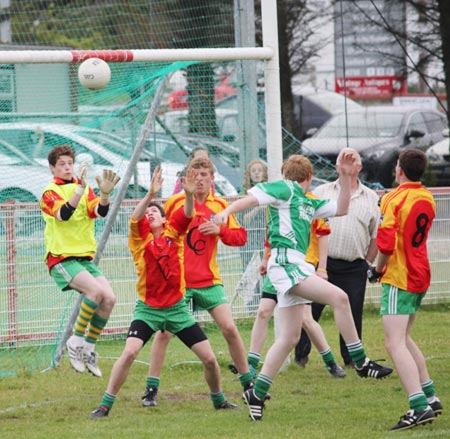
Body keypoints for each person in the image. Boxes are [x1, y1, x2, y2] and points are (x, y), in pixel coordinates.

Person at [213, 153, 393, 421]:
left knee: (289, 338)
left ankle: (257, 392)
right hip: (286, 263)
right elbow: (253, 198)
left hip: (293, 266)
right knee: (340, 298)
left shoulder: (308, 202)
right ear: (308, 178)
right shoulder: (286, 187)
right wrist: (227, 211)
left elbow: (342, 208)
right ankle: (361, 361)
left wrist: (345, 176)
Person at [90, 167, 240, 418]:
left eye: (154, 212)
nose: (149, 214)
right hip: (148, 309)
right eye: (147, 212)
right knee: (129, 352)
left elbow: (187, 214)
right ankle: (105, 404)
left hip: (177, 310)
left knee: (211, 360)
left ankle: (219, 400)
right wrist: (149, 195)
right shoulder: (140, 241)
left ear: (165, 220)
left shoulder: (174, 233)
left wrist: (190, 195)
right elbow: (135, 217)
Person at [141, 157, 252, 408]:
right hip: (179, 283)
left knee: (230, 329)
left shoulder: (220, 205)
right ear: (187, 178)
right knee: (165, 332)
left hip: (209, 280)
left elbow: (240, 238)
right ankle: (151, 389)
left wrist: (220, 230)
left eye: (204, 174)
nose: (200, 179)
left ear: (212, 179)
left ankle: (248, 384)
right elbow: (159, 233)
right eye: (195, 174)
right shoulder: (176, 203)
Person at [367, 149, 442, 431]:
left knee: (394, 343)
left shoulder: (393, 199)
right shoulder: (427, 196)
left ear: (399, 170)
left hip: (401, 275)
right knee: (404, 338)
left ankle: (418, 406)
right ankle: (430, 395)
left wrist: (376, 270)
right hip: (421, 271)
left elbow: (386, 244)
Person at [40, 144, 121, 377]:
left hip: (84, 258)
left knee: (109, 299)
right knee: (95, 292)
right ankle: (75, 342)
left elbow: (100, 212)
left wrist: (104, 195)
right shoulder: (50, 192)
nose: (67, 167)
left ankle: (88, 348)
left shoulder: (83, 189)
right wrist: (79, 190)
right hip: (62, 257)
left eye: (69, 163)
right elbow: (63, 215)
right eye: (62, 164)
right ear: (52, 168)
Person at [295, 147, 380, 368]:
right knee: (308, 310)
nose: (348, 163)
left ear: (360, 167)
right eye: (343, 159)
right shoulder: (322, 192)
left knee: (352, 313)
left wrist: (366, 263)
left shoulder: (371, 197)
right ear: (336, 166)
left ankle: (352, 360)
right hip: (323, 264)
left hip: (354, 265)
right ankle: (300, 356)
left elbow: (375, 236)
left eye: (353, 160)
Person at [246, 209, 346, 380]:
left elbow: (323, 235)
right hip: (278, 266)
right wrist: (265, 258)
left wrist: (321, 268)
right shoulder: (277, 202)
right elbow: (271, 233)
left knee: (306, 319)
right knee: (263, 312)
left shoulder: (312, 204)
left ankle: (330, 362)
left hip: (300, 269)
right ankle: (251, 366)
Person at [238, 159, 268, 312]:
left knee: (266, 274)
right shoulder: (244, 195)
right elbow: (243, 220)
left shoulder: (269, 191)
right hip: (250, 241)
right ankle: (252, 308)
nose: (256, 173)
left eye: (259, 170)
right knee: (250, 274)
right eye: (253, 171)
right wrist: (257, 207)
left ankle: (266, 307)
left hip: (265, 240)